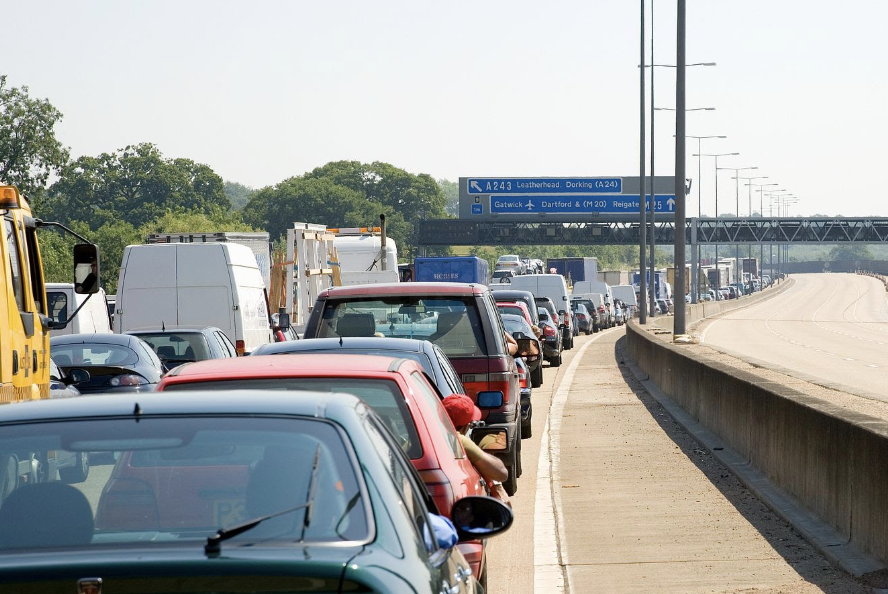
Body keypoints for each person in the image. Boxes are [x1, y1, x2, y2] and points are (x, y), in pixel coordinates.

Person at [442, 394, 508, 485]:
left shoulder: (427, 433)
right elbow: (501, 473)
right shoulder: (459, 440)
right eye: (471, 423)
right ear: (466, 426)